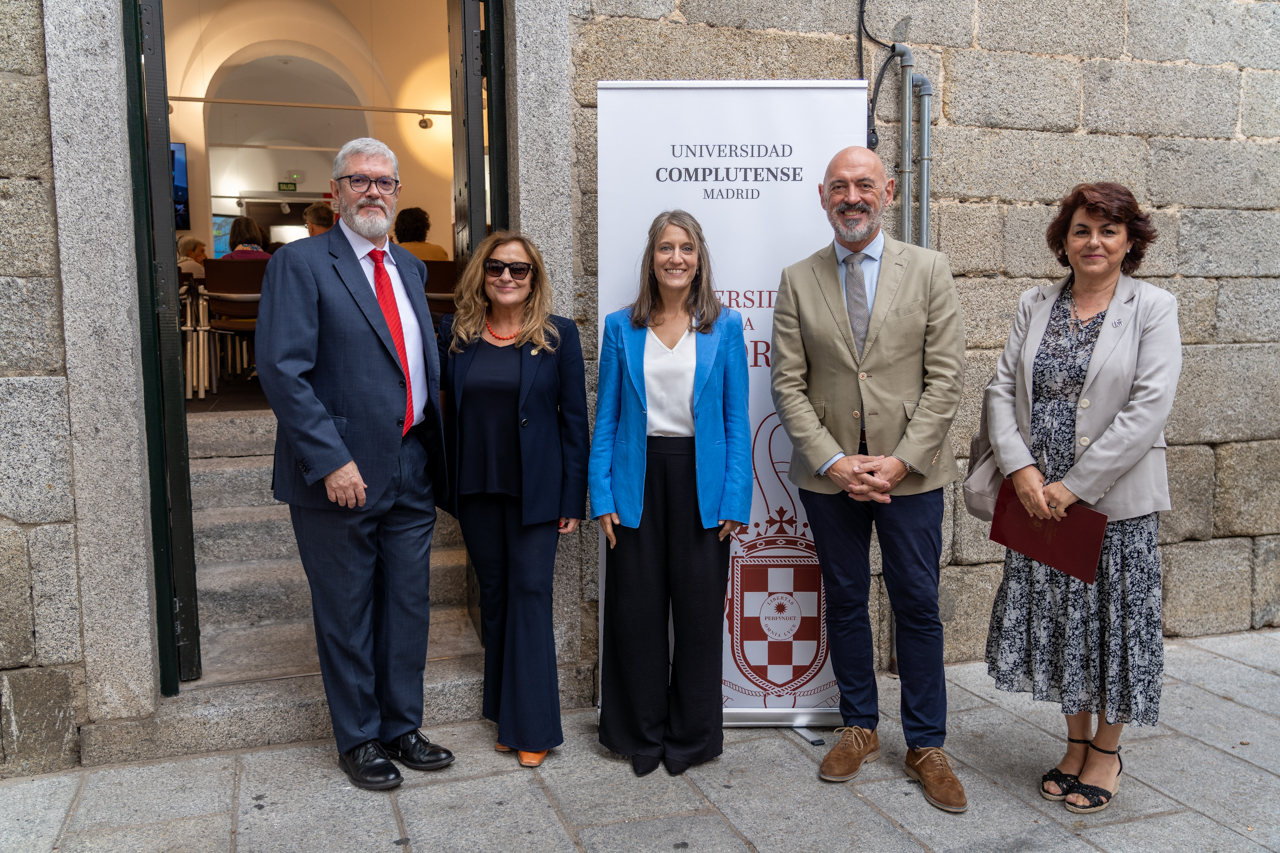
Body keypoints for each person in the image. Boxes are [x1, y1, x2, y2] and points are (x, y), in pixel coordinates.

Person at [770, 146, 968, 812]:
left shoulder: (930, 270)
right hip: (831, 479)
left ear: (887, 191)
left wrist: (900, 459)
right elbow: (787, 384)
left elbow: (945, 379)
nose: (851, 197)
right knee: (846, 598)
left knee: (917, 604)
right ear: (822, 196)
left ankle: (926, 744)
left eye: (863, 185)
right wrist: (834, 460)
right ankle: (859, 725)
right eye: (838, 187)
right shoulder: (798, 279)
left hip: (910, 475)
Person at [256, 137, 454, 791]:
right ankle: (360, 736)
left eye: (385, 181)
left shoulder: (411, 269)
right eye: (359, 179)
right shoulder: (302, 264)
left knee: (408, 604)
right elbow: (284, 371)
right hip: (339, 474)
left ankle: (402, 725)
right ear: (335, 192)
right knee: (346, 609)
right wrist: (330, 458)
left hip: (409, 464)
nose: (373, 191)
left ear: (398, 193)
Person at [983, 182, 1180, 815]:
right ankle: (1073, 743)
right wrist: (1022, 470)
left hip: (1110, 502)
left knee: (1115, 626)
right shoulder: (1035, 302)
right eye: (1081, 231)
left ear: (1130, 241)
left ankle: (1107, 751)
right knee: (1064, 624)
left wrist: (1073, 486)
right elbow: (1000, 391)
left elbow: (1148, 409)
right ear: (1063, 241)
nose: (1093, 243)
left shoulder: (1153, 307)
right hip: (1038, 499)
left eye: (1108, 231)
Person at [589, 210, 750, 778]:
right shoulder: (620, 327)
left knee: (700, 616)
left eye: (685, 248)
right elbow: (606, 417)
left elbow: (736, 421)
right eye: (665, 248)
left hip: (701, 485)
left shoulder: (725, 327)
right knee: (636, 613)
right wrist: (601, 495)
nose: (675, 258)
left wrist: (735, 500)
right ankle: (640, 733)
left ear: (699, 257)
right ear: (651, 259)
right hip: (636, 481)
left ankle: (690, 737)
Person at [437, 232, 588, 769]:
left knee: (529, 594)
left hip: (537, 492)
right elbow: (442, 412)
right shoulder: (455, 336)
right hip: (477, 489)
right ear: (482, 273)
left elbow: (574, 422)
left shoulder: (558, 336)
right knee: (497, 597)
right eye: (497, 267)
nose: (506, 277)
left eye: (519, 270)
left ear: (534, 279)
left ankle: (535, 727)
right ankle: (505, 715)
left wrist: (574, 496)